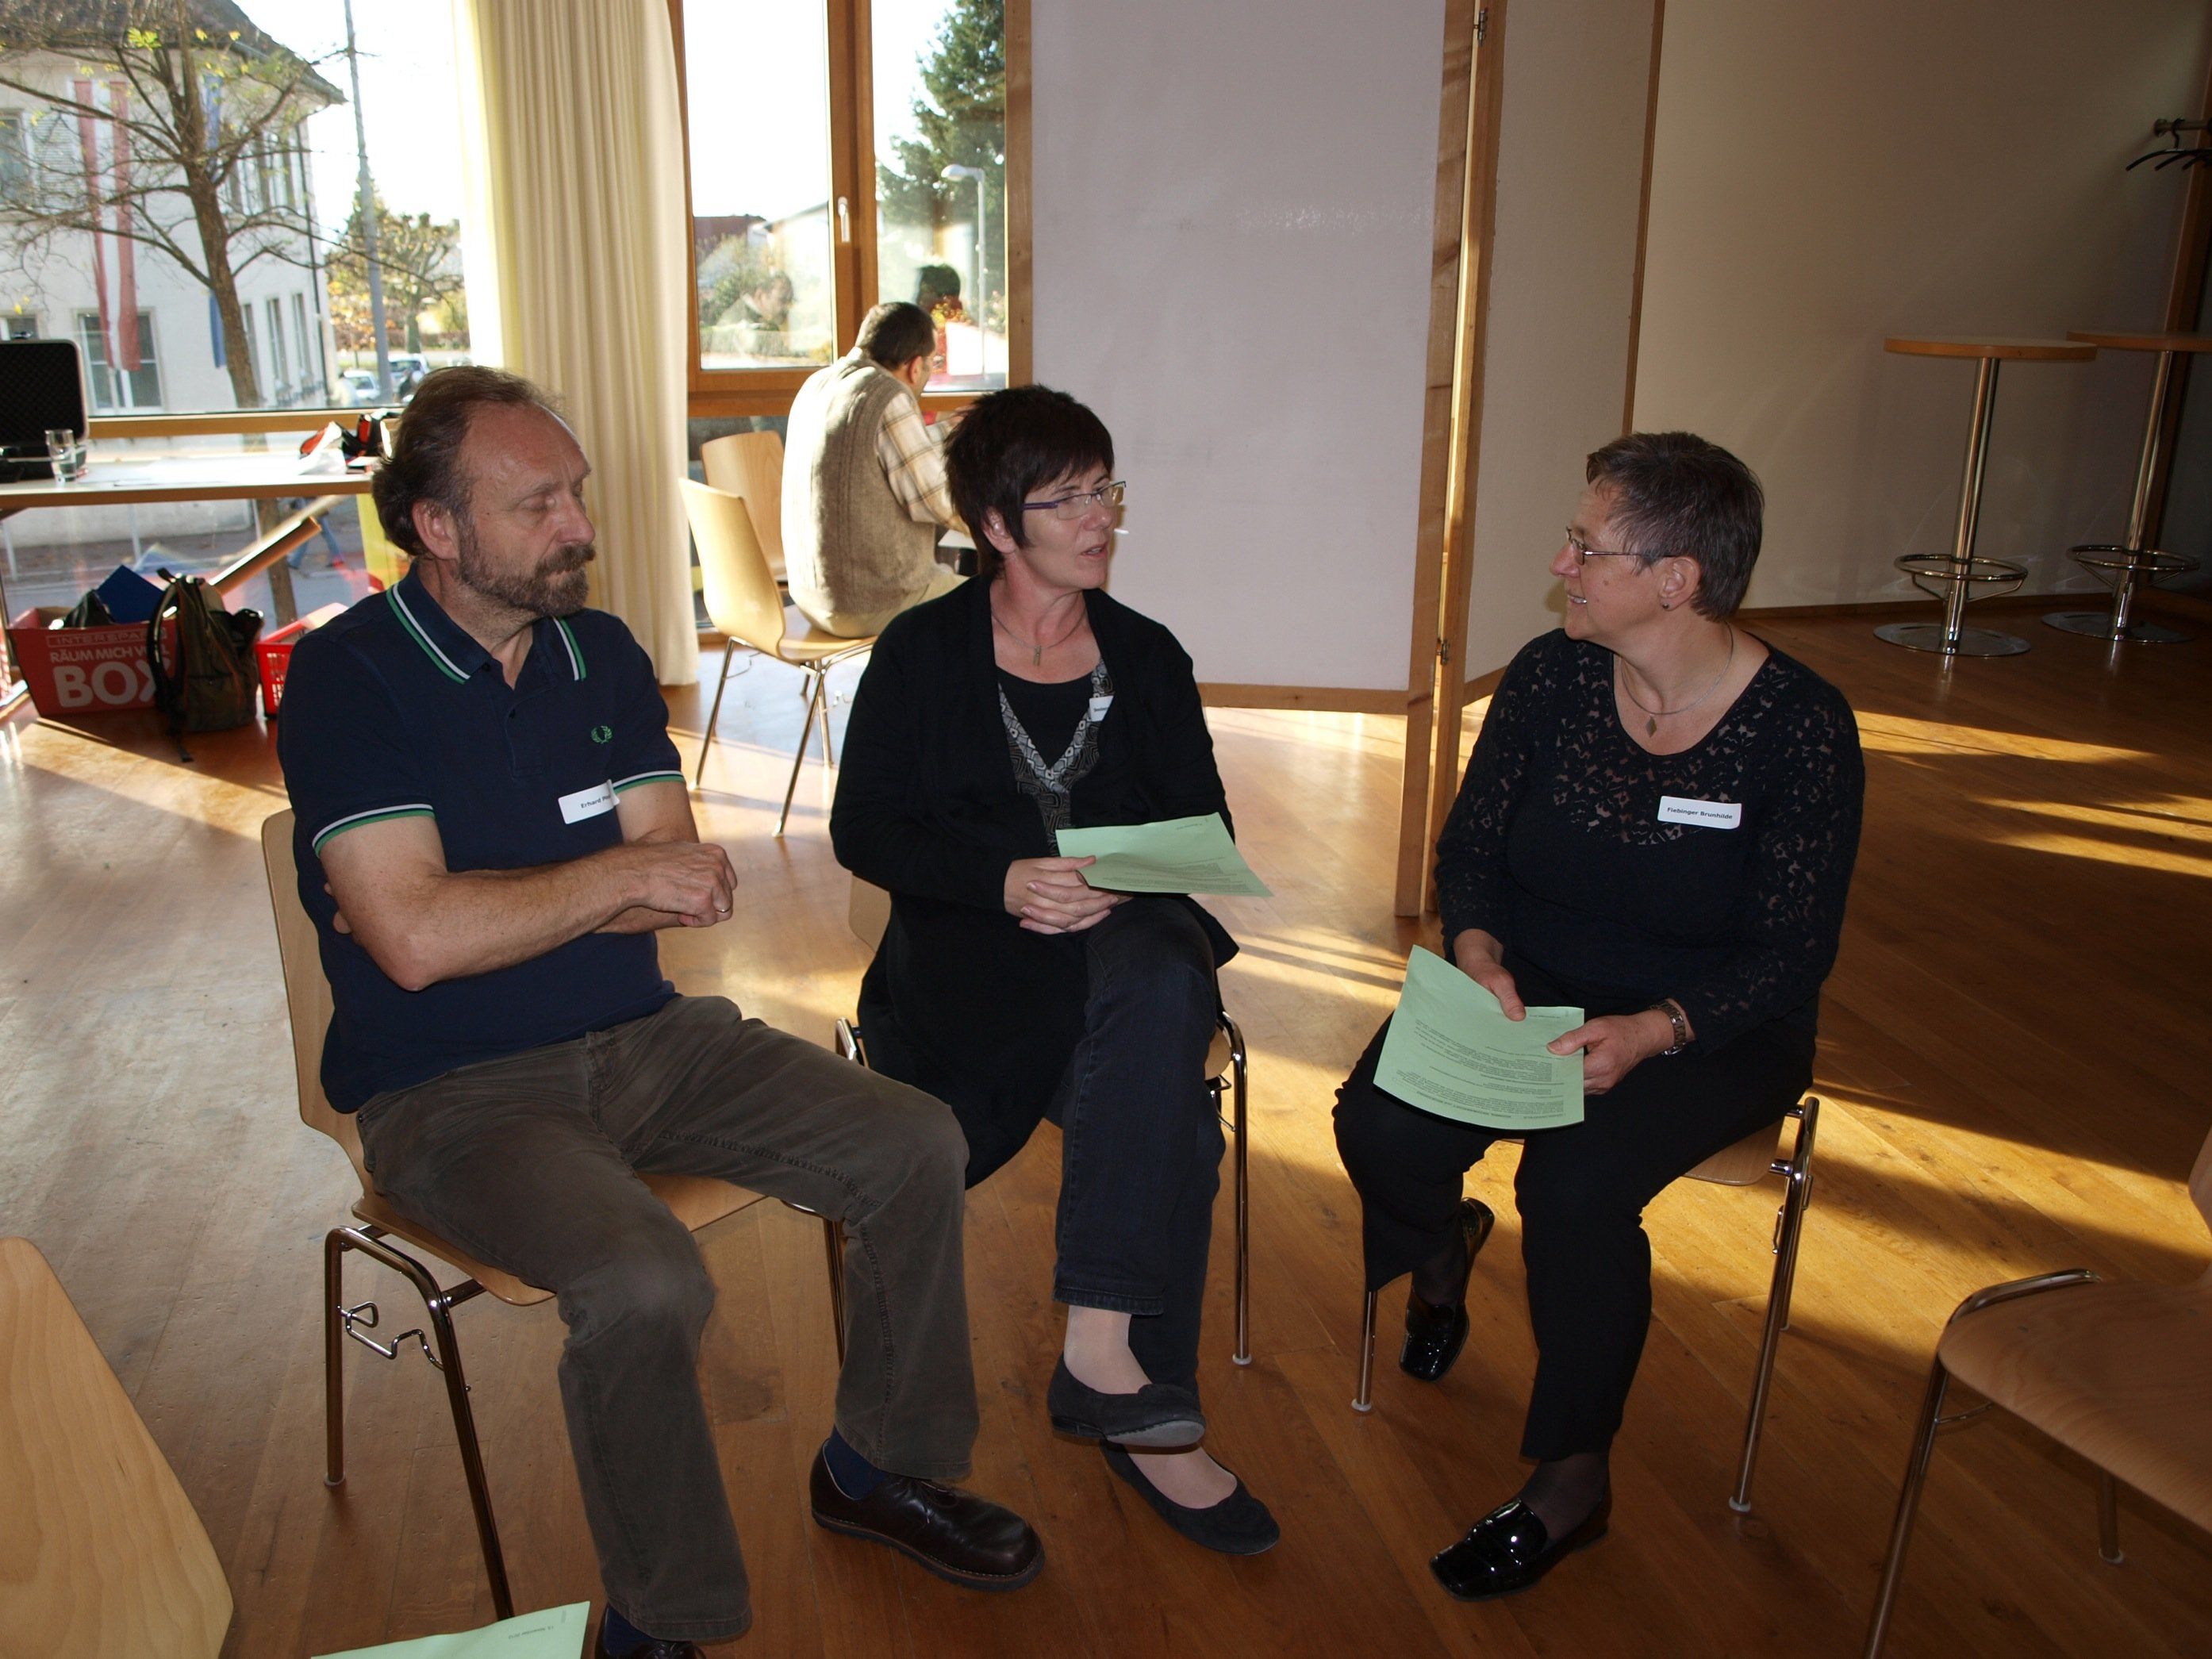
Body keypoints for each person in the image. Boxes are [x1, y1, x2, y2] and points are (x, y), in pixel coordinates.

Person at [275, 366, 1042, 1659]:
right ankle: (660, 1619)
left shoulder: (604, 653)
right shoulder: (349, 678)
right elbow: (417, 947)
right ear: (437, 527)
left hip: (649, 1039)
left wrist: (471, 902)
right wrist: (551, 892)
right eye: (537, 504)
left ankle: (880, 1467)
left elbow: (679, 884)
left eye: (576, 491)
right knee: (643, 1280)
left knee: (915, 1139)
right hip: (453, 1087)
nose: (579, 525)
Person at [1332, 432, 1863, 1602]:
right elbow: (1472, 845)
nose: (1560, 563)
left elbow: (1793, 952)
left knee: (1573, 1189)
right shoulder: (1552, 676)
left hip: (1711, 1019)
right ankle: (1439, 1252)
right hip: (1527, 977)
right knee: (1378, 1123)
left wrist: (1656, 1028)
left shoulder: (1801, 726)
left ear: (1676, 578)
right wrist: (1477, 948)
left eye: (1587, 546)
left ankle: (1573, 1480)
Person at [829, 385, 1279, 1556]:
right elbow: (864, 830)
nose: (1099, 518)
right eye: (1067, 498)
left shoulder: (1147, 654)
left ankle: (1113, 1367)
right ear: (995, 524)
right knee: (1175, 1128)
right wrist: (1004, 880)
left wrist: (1114, 877)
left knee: (1164, 973)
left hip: (1123, 953)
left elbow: (1203, 823)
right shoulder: (921, 653)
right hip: (968, 966)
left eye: (1105, 490)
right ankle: (1135, 1406)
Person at [783, 301, 966, 639]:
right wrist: (1006, 528)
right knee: (993, 601)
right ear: (915, 366)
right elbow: (939, 501)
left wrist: (949, 430)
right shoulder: (889, 397)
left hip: (810, 598)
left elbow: (872, 449)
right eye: (933, 363)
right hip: (870, 604)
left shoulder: (818, 384)